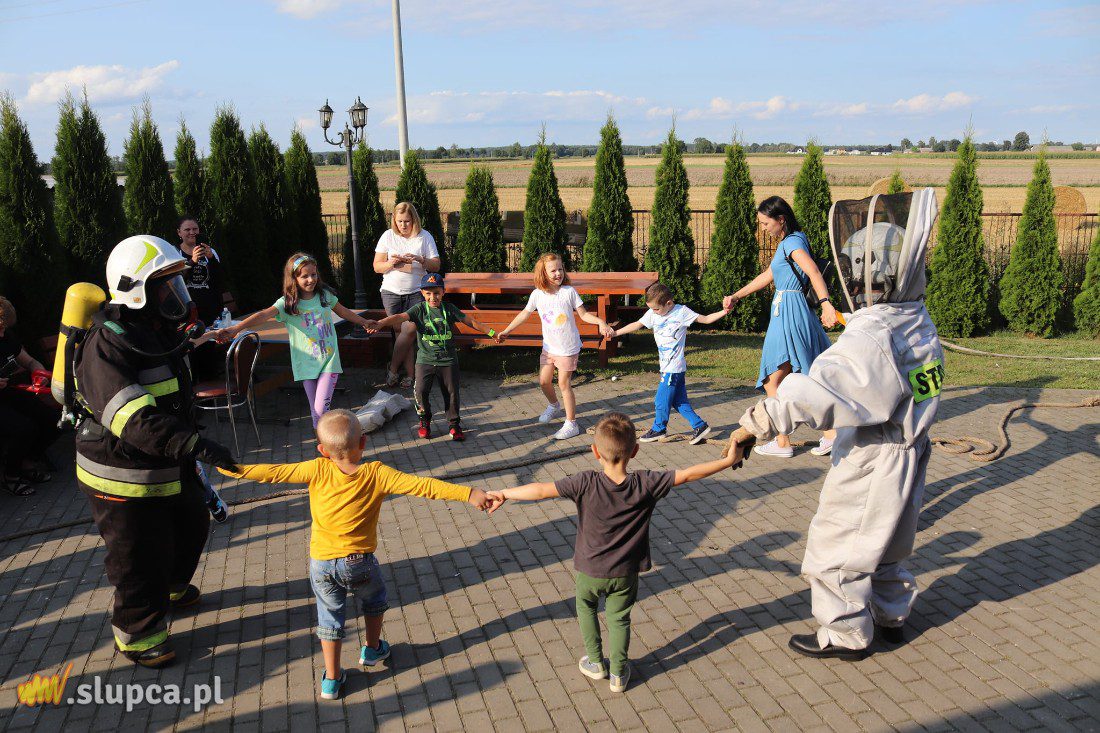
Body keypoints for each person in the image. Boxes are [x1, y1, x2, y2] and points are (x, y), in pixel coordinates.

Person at [726, 189, 943, 660]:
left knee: (836, 548)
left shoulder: (873, 333)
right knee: (888, 545)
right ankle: (891, 616)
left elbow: (818, 391)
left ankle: (844, 634)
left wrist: (753, 424)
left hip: (873, 457)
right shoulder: (917, 320)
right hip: (912, 452)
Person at [218, 409, 492, 700]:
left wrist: (229, 467)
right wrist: (468, 493)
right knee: (374, 601)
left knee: (329, 618)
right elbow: (422, 486)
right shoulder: (377, 474)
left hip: (321, 564)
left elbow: (272, 473)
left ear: (322, 450)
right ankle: (372, 649)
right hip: (359, 563)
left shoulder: (316, 468)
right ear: (363, 443)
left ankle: (332, 680)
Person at [486, 412, 747, 692]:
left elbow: (539, 490)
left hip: (589, 570)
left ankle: (596, 662)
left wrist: (504, 493)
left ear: (594, 450)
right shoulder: (646, 483)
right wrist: (727, 461)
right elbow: (687, 474)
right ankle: (619, 674)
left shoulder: (584, 482)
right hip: (626, 572)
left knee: (585, 608)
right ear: (635, 451)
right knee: (619, 617)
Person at [73, 235, 238, 668]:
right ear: (137, 290)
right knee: (137, 555)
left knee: (191, 524)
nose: (175, 294)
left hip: (166, 459)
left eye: (176, 283)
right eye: (166, 285)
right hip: (120, 472)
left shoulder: (154, 331)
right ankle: (138, 633)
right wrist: (197, 445)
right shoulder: (106, 345)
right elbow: (134, 420)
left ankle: (168, 588)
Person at [723, 196, 837, 458]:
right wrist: (737, 295)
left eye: (765, 223)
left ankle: (819, 436)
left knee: (779, 378)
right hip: (789, 310)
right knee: (780, 378)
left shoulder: (793, 243)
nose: (763, 228)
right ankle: (793, 439)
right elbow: (768, 276)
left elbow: (814, 273)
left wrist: (826, 304)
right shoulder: (789, 242)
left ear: (780, 219)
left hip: (790, 311)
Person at [217, 252, 374, 427]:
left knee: (321, 410)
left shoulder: (325, 296)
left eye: (313, 274)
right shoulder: (287, 304)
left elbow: (343, 311)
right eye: (304, 276)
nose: (311, 279)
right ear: (294, 279)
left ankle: (330, 448)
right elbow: (262, 315)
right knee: (316, 414)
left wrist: (364, 321)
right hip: (305, 364)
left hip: (328, 361)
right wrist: (236, 328)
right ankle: (323, 450)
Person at [364, 273, 497, 441]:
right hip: (425, 360)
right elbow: (400, 317)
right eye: (428, 293)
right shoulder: (419, 309)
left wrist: (492, 333)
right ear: (422, 293)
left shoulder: (449, 309)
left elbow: (470, 321)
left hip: (448, 360)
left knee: (451, 393)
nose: (432, 297)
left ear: (443, 292)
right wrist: (382, 323)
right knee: (420, 392)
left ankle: (454, 425)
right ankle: (424, 422)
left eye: (436, 292)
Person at [496, 253, 615, 440]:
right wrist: (506, 330)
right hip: (549, 348)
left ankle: (571, 424)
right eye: (553, 270)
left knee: (563, 383)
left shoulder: (569, 292)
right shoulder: (537, 295)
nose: (558, 273)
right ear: (543, 273)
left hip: (568, 348)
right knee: (543, 381)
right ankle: (553, 405)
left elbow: (584, 315)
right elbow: (524, 314)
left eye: (560, 269)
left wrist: (601, 322)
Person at [611, 282, 730, 445]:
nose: (653, 312)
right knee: (678, 401)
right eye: (651, 309)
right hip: (669, 368)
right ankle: (700, 425)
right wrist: (616, 333)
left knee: (660, 400)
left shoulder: (681, 312)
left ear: (669, 303)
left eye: (656, 309)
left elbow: (707, 319)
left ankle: (659, 428)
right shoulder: (653, 314)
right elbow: (637, 324)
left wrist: (725, 311)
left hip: (673, 368)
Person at [373, 202, 441, 390]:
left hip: (416, 293)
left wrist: (421, 259)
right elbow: (377, 266)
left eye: (407, 221)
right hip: (391, 292)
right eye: (399, 221)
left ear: (414, 220)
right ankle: (410, 376)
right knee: (402, 334)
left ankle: (393, 369)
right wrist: (391, 263)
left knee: (410, 330)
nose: (403, 225)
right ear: (394, 220)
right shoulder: (388, 236)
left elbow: (436, 266)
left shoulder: (424, 237)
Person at [0, 296, 61, 495]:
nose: (3, 333)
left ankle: (28, 463)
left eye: (5, 328)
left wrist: (38, 370)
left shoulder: (7, 337)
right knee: (23, 428)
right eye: (0, 328)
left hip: (10, 391)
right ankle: (10, 476)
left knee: (54, 420)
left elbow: (29, 361)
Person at [175, 216, 229, 381]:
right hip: (188, 314)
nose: (192, 233)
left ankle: (210, 388)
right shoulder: (175, 253)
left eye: (195, 229)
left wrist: (211, 259)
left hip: (210, 311)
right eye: (187, 229)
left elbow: (219, 280)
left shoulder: (210, 252)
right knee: (193, 353)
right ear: (179, 233)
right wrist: (191, 262)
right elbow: (176, 282)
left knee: (210, 356)